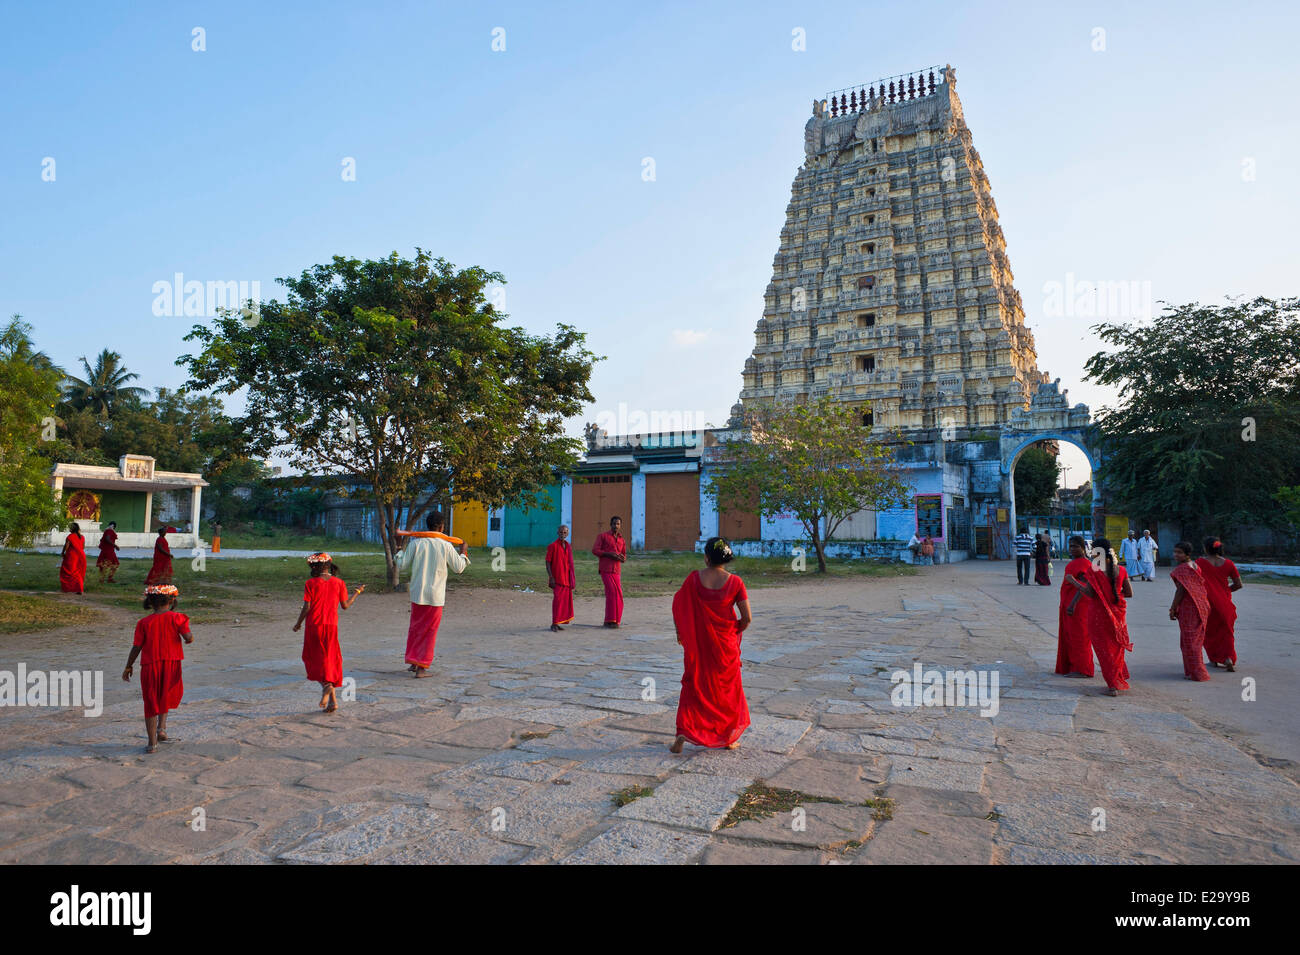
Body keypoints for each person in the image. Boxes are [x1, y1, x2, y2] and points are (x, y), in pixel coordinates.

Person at [669, 537, 752, 754]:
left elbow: (678, 604)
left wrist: (682, 632)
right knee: (726, 690)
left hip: (699, 645)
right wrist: (733, 632)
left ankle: (682, 733)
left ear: (706, 558)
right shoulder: (736, 583)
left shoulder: (694, 579)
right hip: (726, 646)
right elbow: (747, 618)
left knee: (693, 685)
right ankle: (728, 737)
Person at [397, 511, 469, 677]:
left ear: (427, 526)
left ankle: (414, 662)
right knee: (429, 630)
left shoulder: (416, 544)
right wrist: (463, 552)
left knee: (416, 628)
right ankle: (421, 667)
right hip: (435, 596)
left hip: (417, 593)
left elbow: (401, 565)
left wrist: (399, 547)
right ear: (442, 527)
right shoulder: (445, 545)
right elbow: (459, 568)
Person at [121, 583, 192, 753]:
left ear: (150, 602)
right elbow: (188, 637)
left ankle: (152, 743)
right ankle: (162, 728)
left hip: (150, 666)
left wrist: (128, 666)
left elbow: (136, 647)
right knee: (165, 694)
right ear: (172, 600)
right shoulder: (178, 618)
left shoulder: (143, 623)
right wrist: (188, 638)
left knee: (151, 700)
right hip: (172, 664)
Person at [293, 553, 363, 712]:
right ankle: (332, 700)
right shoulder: (339, 583)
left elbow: (307, 607)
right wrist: (357, 592)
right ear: (329, 565)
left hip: (314, 626)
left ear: (314, 567)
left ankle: (326, 686)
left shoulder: (310, 583)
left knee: (312, 659)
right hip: (331, 627)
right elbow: (345, 605)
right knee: (330, 660)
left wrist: (298, 624)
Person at [1084, 537, 1135, 696]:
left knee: (1104, 650)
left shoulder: (1094, 569)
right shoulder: (1121, 570)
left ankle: (1112, 685)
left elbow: (1090, 593)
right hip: (1118, 615)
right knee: (1117, 648)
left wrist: (1074, 582)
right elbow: (1129, 593)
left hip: (1099, 615)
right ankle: (1117, 678)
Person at [1197, 536, 1242, 671]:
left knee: (1210, 632)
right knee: (1227, 632)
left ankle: (1214, 659)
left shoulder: (1200, 562)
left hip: (1207, 603)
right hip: (1225, 603)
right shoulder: (1229, 563)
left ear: (1206, 548)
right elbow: (1238, 584)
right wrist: (1224, 591)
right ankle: (1228, 658)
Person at [1056, 536, 1098, 678]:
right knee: (1069, 636)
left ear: (1083, 548)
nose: (1072, 549)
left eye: (1075, 546)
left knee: (1080, 636)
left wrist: (1072, 604)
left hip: (1078, 606)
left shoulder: (1085, 564)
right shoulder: (1074, 563)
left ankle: (1083, 669)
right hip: (1067, 604)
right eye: (1070, 546)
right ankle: (1071, 666)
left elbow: (1085, 586)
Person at [1169, 541, 1211, 682]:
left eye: (1179, 552)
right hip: (1201, 605)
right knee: (1194, 640)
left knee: (1190, 641)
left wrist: (1173, 607)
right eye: (1175, 552)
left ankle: (1198, 673)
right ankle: (1192, 670)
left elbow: (1180, 590)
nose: (1176, 555)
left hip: (1190, 607)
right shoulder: (1195, 565)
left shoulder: (1183, 568)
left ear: (1187, 554)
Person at [592, 516, 627, 628]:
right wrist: (608, 554)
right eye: (614, 524)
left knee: (619, 595)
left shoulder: (622, 540)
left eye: (618, 524)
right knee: (612, 593)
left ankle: (614, 620)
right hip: (605, 569)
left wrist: (622, 558)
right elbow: (595, 550)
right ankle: (610, 620)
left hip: (616, 570)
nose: (616, 526)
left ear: (620, 525)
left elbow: (624, 556)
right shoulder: (603, 536)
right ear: (610, 524)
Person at [545, 525, 576, 632]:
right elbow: (548, 562)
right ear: (557, 533)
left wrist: (572, 578)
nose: (563, 534)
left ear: (567, 534)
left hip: (566, 579)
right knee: (557, 601)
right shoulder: (552, 546)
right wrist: (551, 577)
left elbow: (570, 563)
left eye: (565, 532)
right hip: (557, 579)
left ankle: (558, 623)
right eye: (561, 532)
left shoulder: (568, 546)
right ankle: (554, 623)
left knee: (564, 602)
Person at [58, 523, 86, 594]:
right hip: (81, 556)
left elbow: (66, 546)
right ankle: (79, 589)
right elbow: (83, 547)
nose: (69, 529)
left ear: (72, 529)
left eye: (70, 528)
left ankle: (67, 588)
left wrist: (63, 553)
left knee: (67, 572)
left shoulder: (70, 536)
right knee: (78, 573)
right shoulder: (82, 537)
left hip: (72, 556)